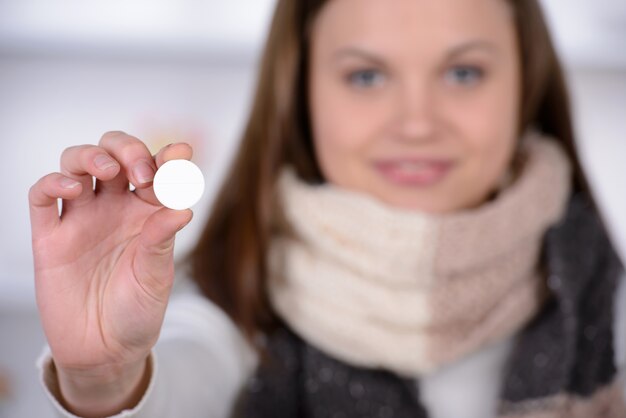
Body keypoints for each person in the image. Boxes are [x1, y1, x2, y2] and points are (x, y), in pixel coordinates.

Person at [28, 0, 626, 417]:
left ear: (526, 86)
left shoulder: (608, 303)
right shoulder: (236, 301)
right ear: (301, 96)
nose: (417, 122)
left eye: (464, 72)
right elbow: (184, 381)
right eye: (365, 77)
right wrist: (104, 378)